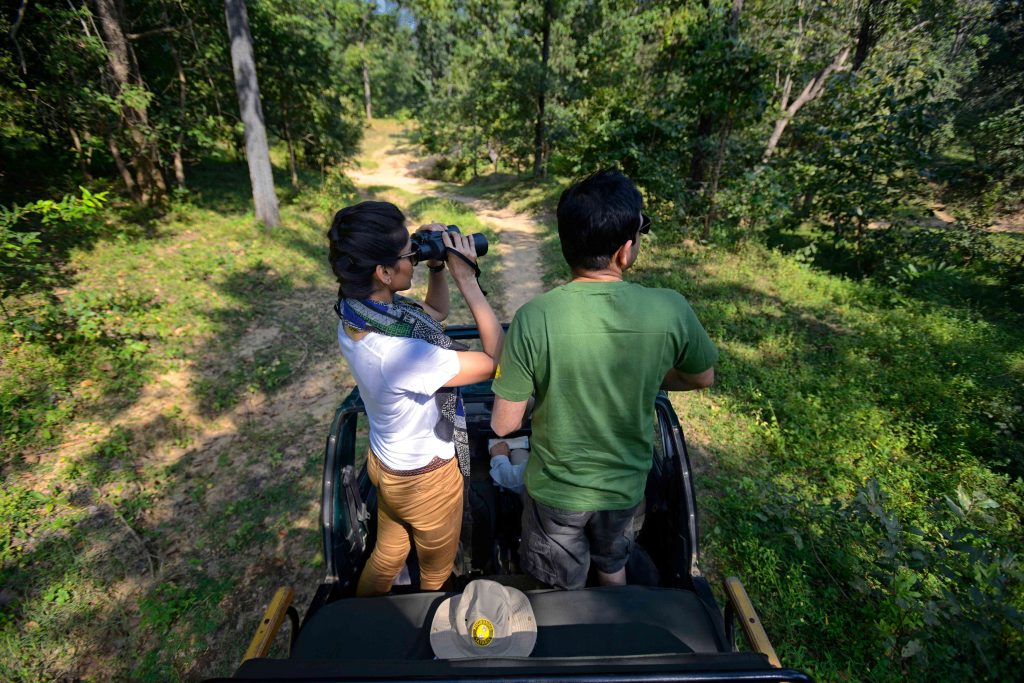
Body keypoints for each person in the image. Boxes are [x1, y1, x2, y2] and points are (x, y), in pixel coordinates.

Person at [490, 169, 718, 590]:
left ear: (564, 245)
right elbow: (701, 375)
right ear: (625, 252)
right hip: (626, 487)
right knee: (613, 565)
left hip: (556, 495)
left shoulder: (533, 317)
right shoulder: (670, 309)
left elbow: (504, 425)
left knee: (560, 586)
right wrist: (647, 376)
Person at [327, 201, 503, 596]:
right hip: (427, 479)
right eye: (411, 254)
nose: (416, 259)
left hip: (388, 465)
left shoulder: (360, 312)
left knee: (388, 553)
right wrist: (468, 279)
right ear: (384, 272)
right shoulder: (403, 354)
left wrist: (438, 265)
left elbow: (436, 312)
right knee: (436, 572)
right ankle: (420, 627)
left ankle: (364, 613)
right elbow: (495, 361)